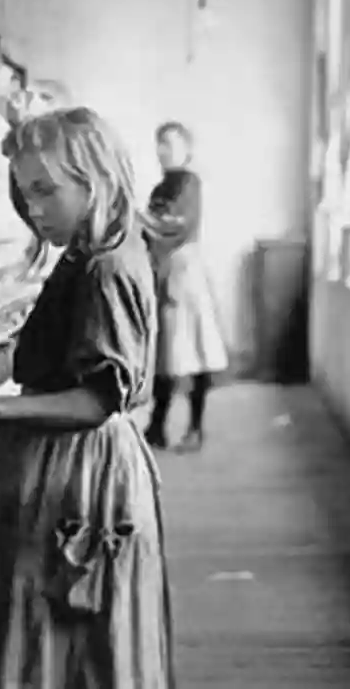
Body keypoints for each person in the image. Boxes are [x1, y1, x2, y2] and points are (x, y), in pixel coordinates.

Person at [0, 107, 175, 688]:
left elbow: (97, 401)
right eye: (25, 196)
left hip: (77, 470)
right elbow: (49, 343)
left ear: (94, 178)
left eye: (46, 190)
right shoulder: (89, 256)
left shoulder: (105, 269)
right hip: (63, 465)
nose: (35, 210)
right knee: (51, 642)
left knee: (58, 639)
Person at [142, 122, 228, 452]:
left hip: (185, 271)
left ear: (186, 150)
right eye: (160, 144)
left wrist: (144, 223)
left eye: (171, 145)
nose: (164, 151)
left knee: (195, 352)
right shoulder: (161, 187)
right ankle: (158, 425)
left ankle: (195, 427)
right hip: (165, 274)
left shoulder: (188, 183)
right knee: (167, 355)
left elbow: (174, 225)